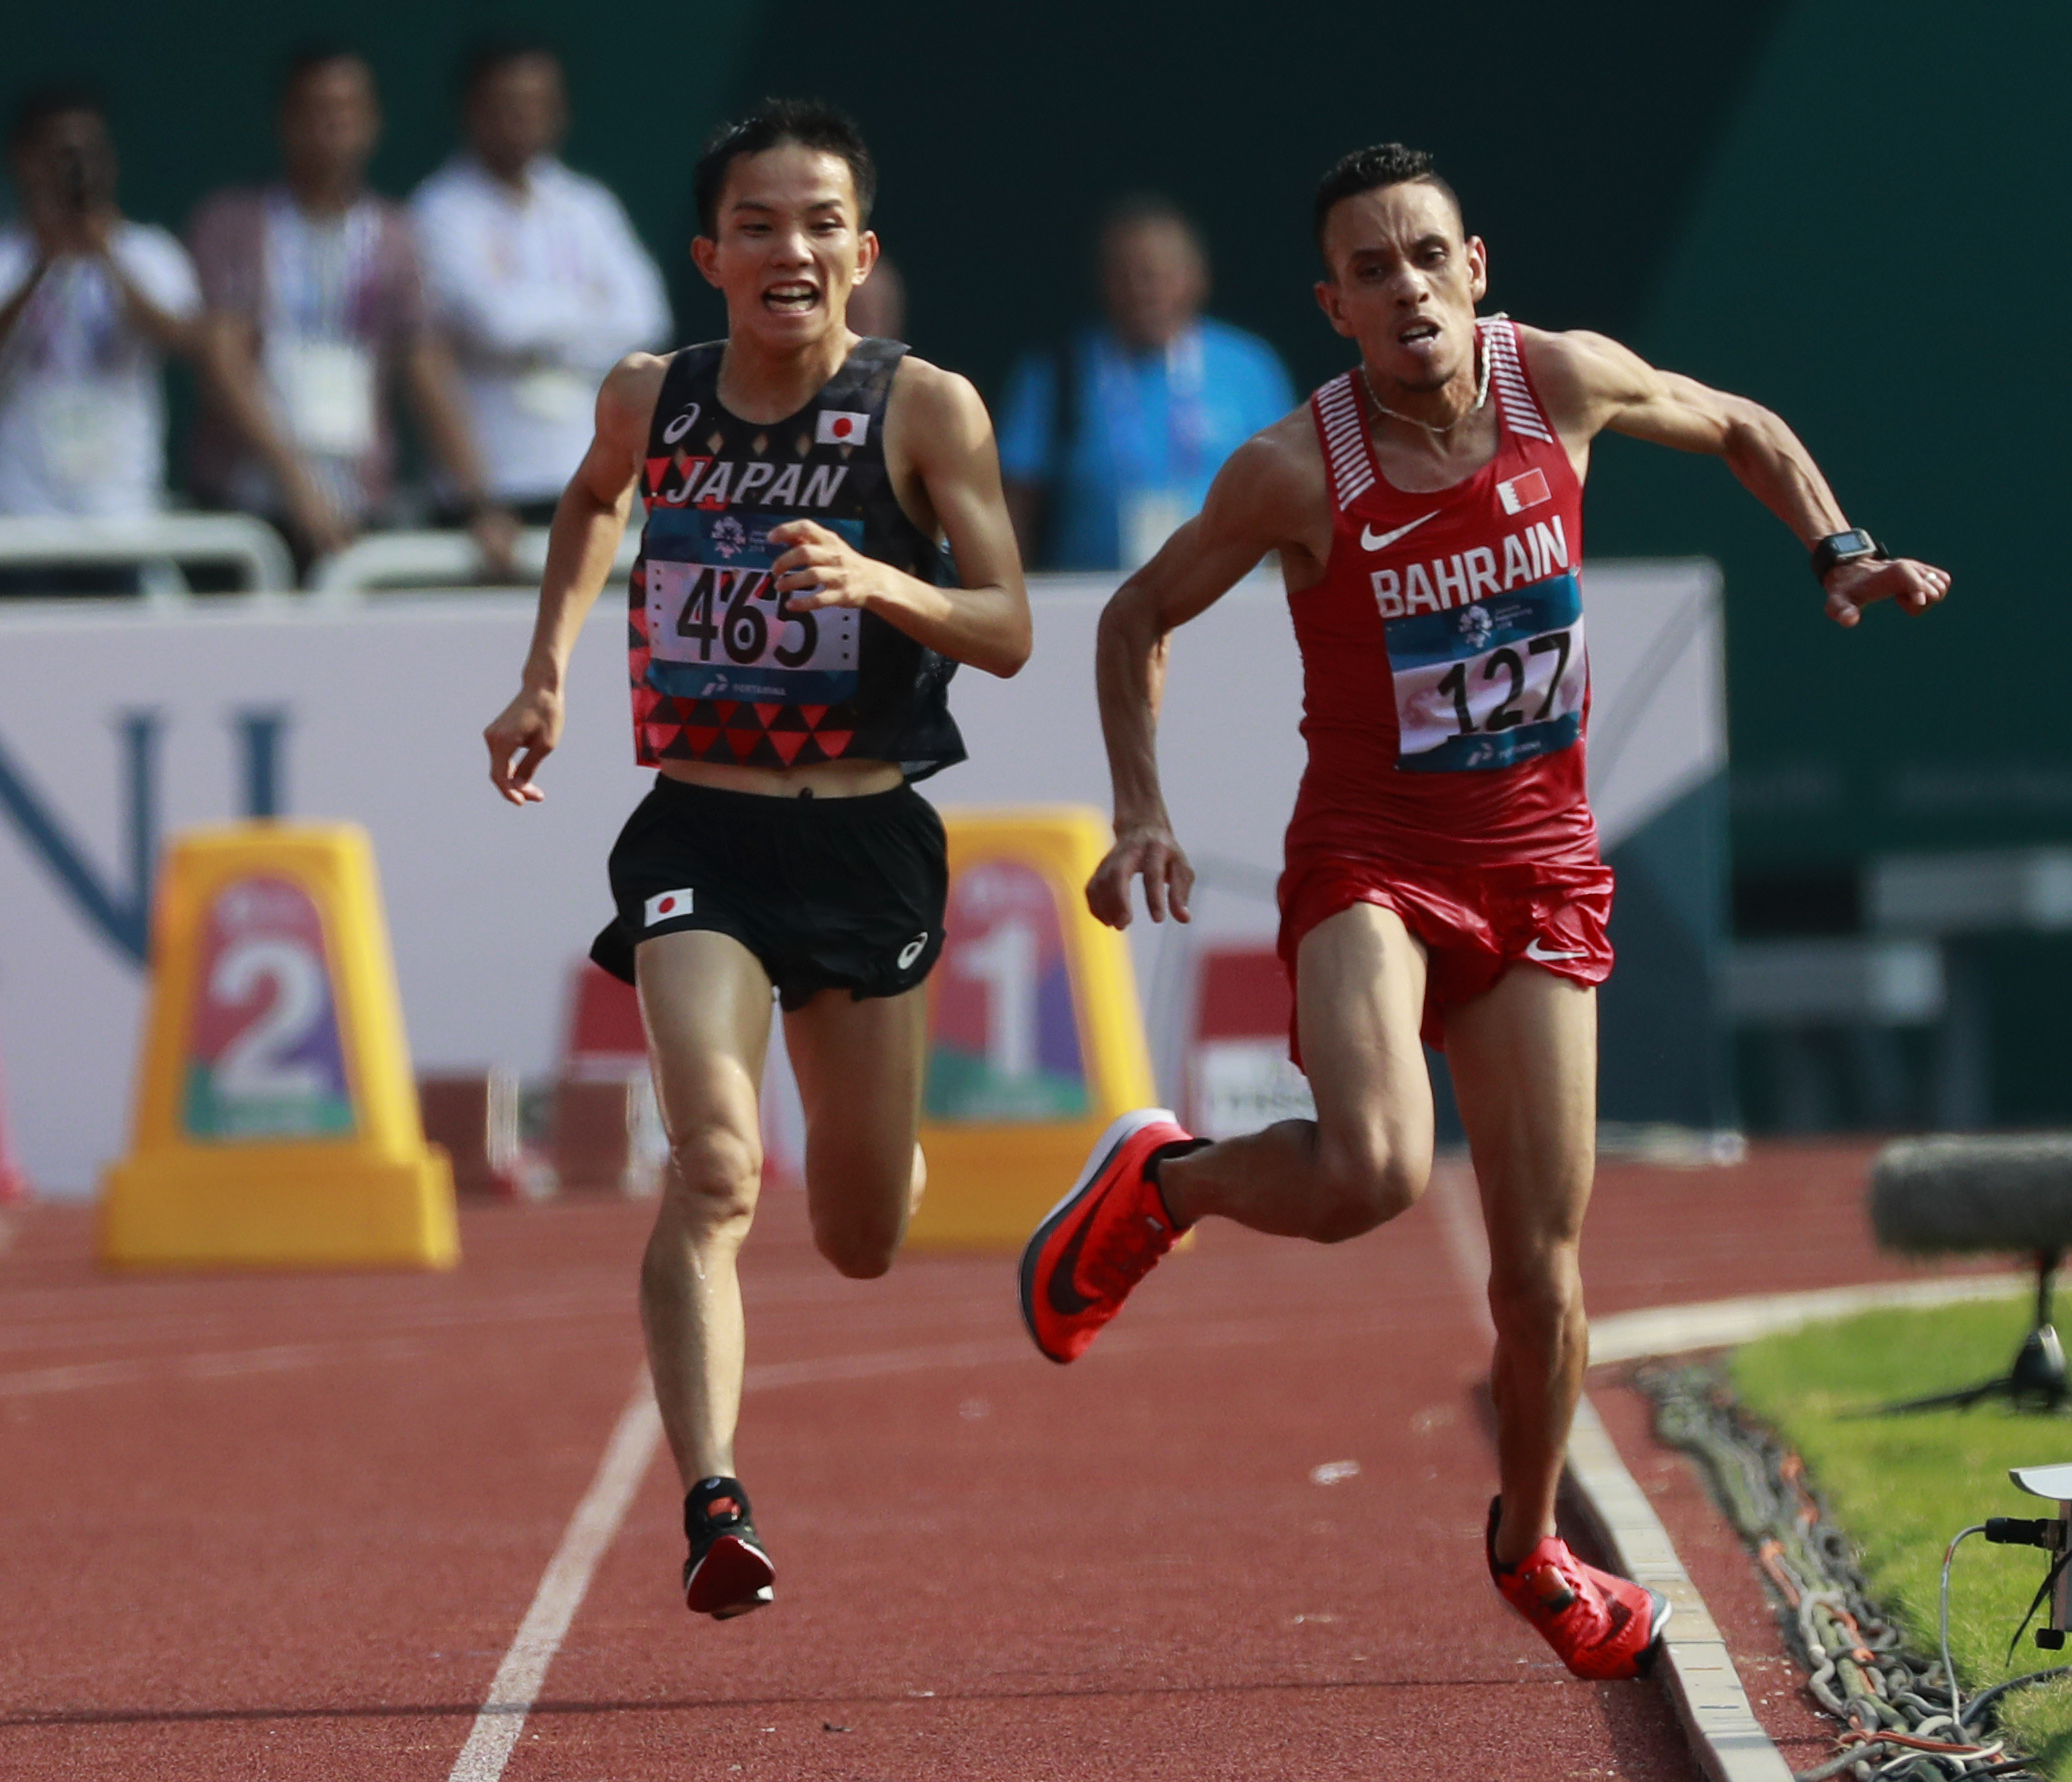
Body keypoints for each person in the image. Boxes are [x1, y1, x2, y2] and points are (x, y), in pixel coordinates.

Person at [1018, 143, 1948, 1681]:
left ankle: (1530, 1543)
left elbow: (1741, 424)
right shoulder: (1296, 470)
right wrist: (1141, 810)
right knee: (1376, 1168)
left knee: (1543, 1269)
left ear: (1476, 267)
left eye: (1425, 256)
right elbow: (1134, 617)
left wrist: (1838, 549)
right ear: (1334, 306)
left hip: (1540, 867)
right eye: (1369, 270)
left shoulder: (1560, 384)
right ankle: (1163, 1187)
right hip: (1374, 858)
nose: (1406, 288)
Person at [482, 99, 1029, 1620]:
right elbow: (594, 501)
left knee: (861, 1235)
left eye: (818, 224)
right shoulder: (651, 396)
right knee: (716, 1161)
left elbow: (1012, 628)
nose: (789, 249)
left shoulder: (927, 410)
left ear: (863, 251)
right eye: (758, 224)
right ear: (709, 252)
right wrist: (548, 671)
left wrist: (877, 580)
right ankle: (714, 1493)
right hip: (699, 829)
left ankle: (884, 1140)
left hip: (864, 839)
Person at [189, 44, 515, 575]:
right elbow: (223, 361)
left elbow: (425, 365)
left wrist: (479, 500)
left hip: (358, 497)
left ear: (372, 121)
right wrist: (296, 480)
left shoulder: (395, 235)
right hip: (250, 498)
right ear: (284, 120)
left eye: (346, 110)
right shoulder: (232, 223)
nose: (330, 125)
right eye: (314, 110)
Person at [0, 83, 200, 594]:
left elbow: (179, 338)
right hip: (16, 519)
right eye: (60, 153)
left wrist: (105, 253)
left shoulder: (149, 253)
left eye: (91, 152)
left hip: (120, 519)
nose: (77, 168)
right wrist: (42, 263)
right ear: (24, 161)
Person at [411, 37, 673, 526]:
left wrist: (538, 325)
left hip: (590, 468)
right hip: (493, 486)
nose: (523, 118)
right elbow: (496, 324)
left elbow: (645, 318)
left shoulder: (587, 204)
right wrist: (588, 309)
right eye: (507, 104)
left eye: (538, 104)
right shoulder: (438, 209)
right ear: (472, 109)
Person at [997, 196, 1291, 571]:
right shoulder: (1054, 372)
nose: (1142, 291)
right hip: (1087, 607)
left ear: (1197, 277)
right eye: (1125, 275)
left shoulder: (1249, 368)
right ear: (1103, 282)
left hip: (1229, 603)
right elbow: (1016, 507)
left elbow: (1286, 498)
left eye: (1156, 275)